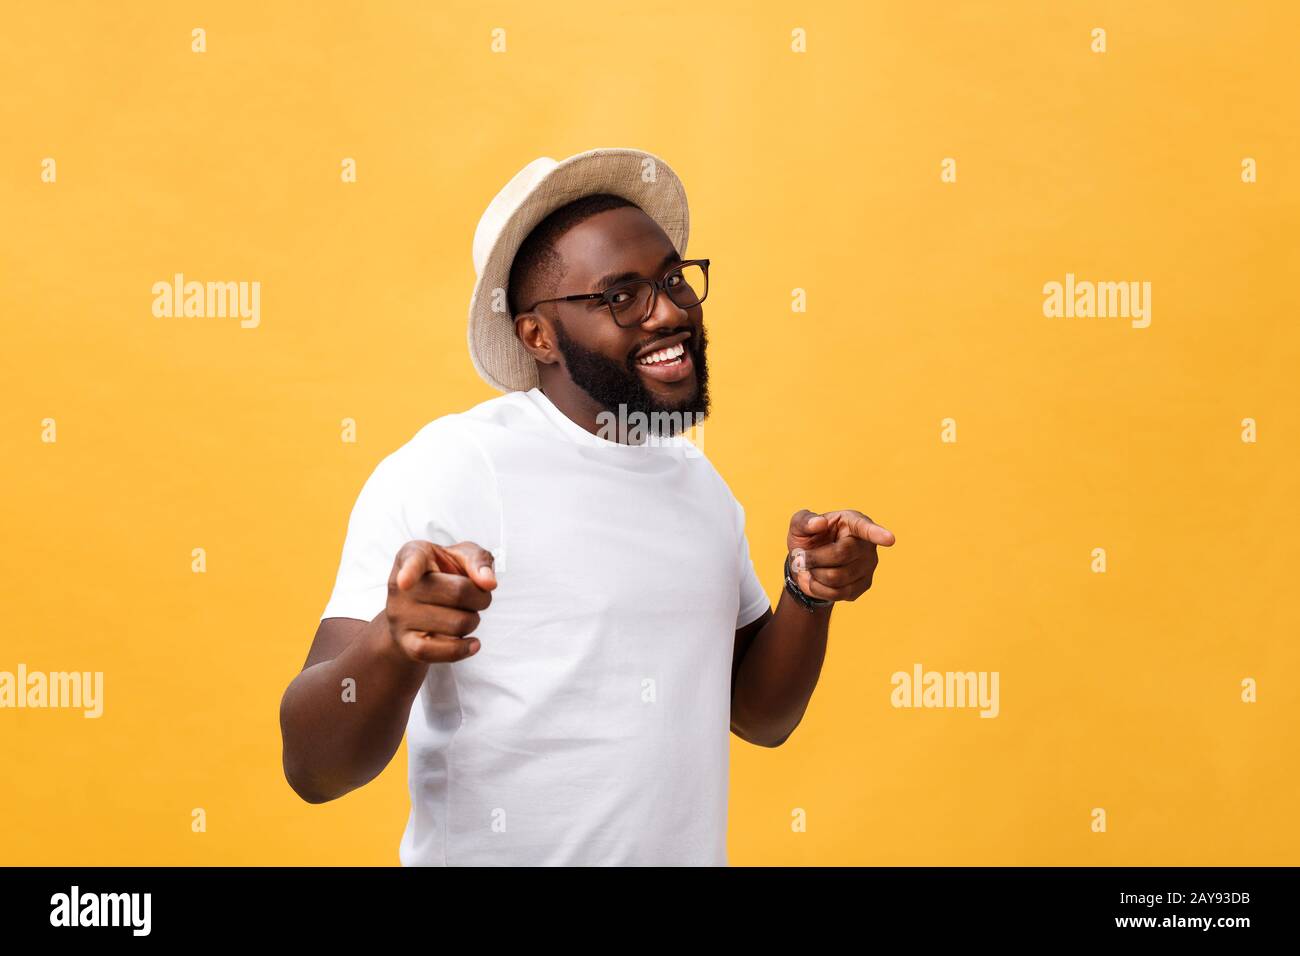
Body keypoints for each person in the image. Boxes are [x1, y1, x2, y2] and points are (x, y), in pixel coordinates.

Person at [278, 147, 896, 865]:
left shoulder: (698, 486)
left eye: (674, 280)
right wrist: (393, 641)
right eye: (620, 295)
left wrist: (807, 591)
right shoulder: (451, 468)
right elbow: (313, 768)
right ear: (537, 335)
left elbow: (760, 716)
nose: (668, 311)